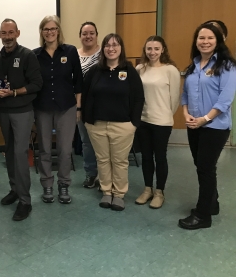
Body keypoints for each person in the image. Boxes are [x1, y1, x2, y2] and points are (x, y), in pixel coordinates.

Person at [178, 23, 236, 230]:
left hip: (215, 126)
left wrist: (204, 118)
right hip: (194, 125)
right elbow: (184, 94)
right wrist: (186, 114)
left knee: (205, 168)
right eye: (201, 38)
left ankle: (203, 216)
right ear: (196, 41)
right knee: (203, 166)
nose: (205, 42)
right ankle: (212, 204)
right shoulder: (193, 66)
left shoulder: (227, 65)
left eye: (210, 38)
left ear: (218, 41)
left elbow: (225, 100)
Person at [82, 33, 144, 211]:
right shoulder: (94, 71)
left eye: (115, 45)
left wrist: (134, 123)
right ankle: (106, 191)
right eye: (107, 45)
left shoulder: (129, 70)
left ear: (121, 48)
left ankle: (119, 194)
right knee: (102, 159)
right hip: (97, 125)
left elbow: (139, 98)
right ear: (103, 49)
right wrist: (87, 120)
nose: (111, 48)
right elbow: (85, 96)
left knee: (119, 161)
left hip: (123, 125)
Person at [0, 18, 42, 221]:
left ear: (18, 33)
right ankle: (15, 189)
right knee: (9, 151)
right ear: (0, 34)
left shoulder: (28, 55)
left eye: (11, 33)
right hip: (3, 111)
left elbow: (37, 84)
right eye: (4, 33)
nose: (7, 37)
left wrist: (13, 93)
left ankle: (25, 201)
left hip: (22, 111)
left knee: (20, 154)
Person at [33, 15, 82, 204]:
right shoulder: (35, 54)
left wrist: (79, 108)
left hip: (67, 107)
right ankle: (46, 185)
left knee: (64, 149)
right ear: (42, 32)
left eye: (53, 28)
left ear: (58, 30)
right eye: (46, 29)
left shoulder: (69, 51)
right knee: (45, 149)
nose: (50, 32)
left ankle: (63, 185)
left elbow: (78, 80)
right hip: (43, 108)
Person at [135, 36, 180, 209]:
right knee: (146, 157)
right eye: (149, 49)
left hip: (162, 122)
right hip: (143, 120)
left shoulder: (171, 70)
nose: (152, 52)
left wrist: (165, 114)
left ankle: (159, 192)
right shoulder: (140, 68)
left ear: (163, 50)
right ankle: (148, 189)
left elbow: (174, 99)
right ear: (145, 50)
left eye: (156, 49)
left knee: (160, 157)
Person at [77, 22, 100, 189]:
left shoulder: (104, 53)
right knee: (86, 142)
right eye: (85, 33)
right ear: (80, 36)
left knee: (103, 143)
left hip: (101, 106)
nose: (88, 36)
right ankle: (91, 174)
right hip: (80, 105)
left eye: (91, 33)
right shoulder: (74, 54)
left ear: (96, 35)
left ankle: (104, 177)